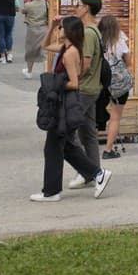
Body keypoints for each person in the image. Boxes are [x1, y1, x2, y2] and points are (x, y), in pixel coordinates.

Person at [32, 17, 112, 202]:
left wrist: (55, 84)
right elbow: (45, 45)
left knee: (54, 146)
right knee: (65, 146)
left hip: (65, 102)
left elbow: (74, 82)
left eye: (61, 28)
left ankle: (52, 191)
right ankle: (97, 174)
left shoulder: (70, 53)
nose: (59, 31)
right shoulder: (67, 49)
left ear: (68, 31)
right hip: (63, 101)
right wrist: (51, 26)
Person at [65, 0, 104, 183]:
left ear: (86, 8)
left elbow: (85, 63)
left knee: (69, 131)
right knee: (88, 133)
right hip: (93, 87)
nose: (76, 9)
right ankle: (95, 172)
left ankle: (85, 169)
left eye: (79, 5)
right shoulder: (95, 30)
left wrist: (73, 77)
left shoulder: (88, 32)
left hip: (85, 88)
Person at [99, 14, 131, 160]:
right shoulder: (120, 41)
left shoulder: (97, 41)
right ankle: (108, 149)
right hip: (118, 83)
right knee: (115, 117)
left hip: (100, 82)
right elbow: (128, 62)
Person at [21, 0, 49, 76]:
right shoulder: (45, 3)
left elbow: (23, 11)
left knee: (30, 51)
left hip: (32, 29)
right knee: (44, 51)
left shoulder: (28, 5)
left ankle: (29, 71)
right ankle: (46, 72)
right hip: (43, 28)